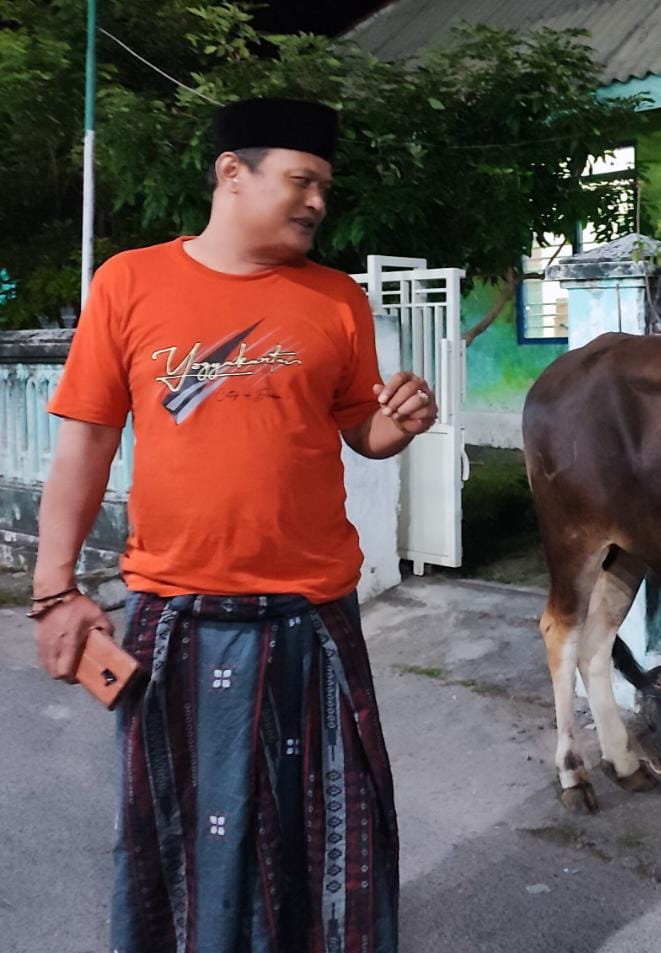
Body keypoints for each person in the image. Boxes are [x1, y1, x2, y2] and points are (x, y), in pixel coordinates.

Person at [30, 97, 430, 952]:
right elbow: (86, 444)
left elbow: (360, 428)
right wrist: (54, 590)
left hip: (311, 616)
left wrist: (397, 423)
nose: (318, 201)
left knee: (326, 843)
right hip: (176, 613)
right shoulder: (130, 283)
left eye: (325, 187)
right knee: (175, 837)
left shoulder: (336, 300)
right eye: (302, 180)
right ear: (231, 173)